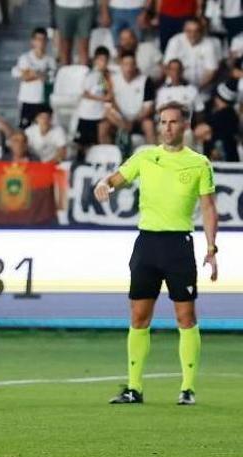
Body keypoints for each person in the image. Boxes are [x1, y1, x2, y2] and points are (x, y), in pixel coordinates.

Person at [93, 101, 217, 406]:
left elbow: (208, 207)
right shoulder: (146, 156)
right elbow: (115, 179)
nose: (166, 127)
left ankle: (187, 389)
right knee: (138, 316)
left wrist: (212, 248)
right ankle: (134, 388)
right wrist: (104, 183)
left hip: (179, 245)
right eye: (163, 122)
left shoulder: (199, 163)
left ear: (185, 125)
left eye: (173, 122)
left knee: (185, 317)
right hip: (147, 244)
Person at [106, 52, 156, 145]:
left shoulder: (146, 80)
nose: (129, 68)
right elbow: (108, 109)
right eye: (125, 64)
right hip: (120, 120)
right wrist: (122, 123)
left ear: (136, 65)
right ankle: (108, 157)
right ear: (120, 65)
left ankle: (153, 157)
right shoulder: (112, 80)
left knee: (149, 125)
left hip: (139, 119)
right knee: (103, 126)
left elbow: (148, 108)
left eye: (131, 64)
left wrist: (134, 122)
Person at [11, 27, 56, 129]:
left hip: (43, 100)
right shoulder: (25, 58)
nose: (41, 42)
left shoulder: (50, 60)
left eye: (44, 39)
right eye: (38, 39)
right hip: (27, 99)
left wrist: (33, 73)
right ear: (33, 41)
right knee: (24, 128)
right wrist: (39, 74)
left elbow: (49, 79)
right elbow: (25, 77)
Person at [74, 46, 113, 150]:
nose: (103, 63)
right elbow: (85, 93)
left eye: (105, 60)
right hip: (86, 114)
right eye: (101, 60)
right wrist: (102, 99)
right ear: (95, 60)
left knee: (97, 144)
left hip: (98, 114)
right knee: (82, 146)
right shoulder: (91, 75)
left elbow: (108, 92)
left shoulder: (106, 76)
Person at [54, 0, 95, 65]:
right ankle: (65, 73)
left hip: (86, 6)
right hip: (63, 6)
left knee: (84, 47)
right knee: (65, 47)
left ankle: (83, 73)